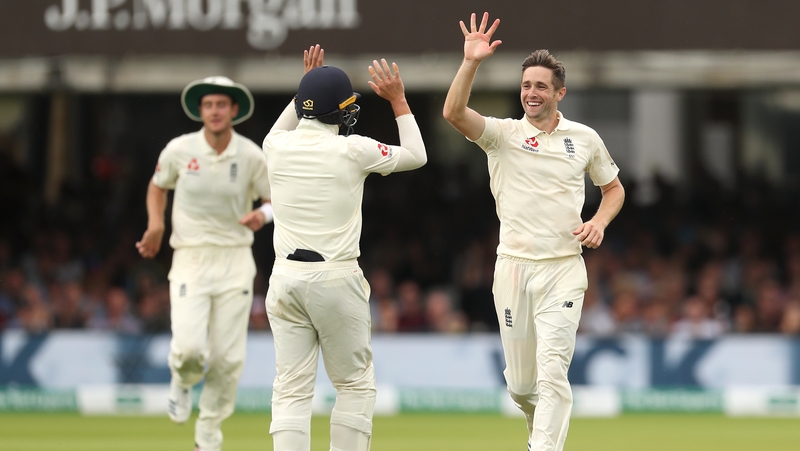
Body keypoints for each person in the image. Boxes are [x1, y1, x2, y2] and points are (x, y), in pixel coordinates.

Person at [442, 12, 625, 451]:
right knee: (523, 388)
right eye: (526, 85)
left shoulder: (583, 138)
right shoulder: (501, 135)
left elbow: (613, 189)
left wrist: (598, 222)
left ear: (559, 92)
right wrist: (471, 62)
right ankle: (537, 433)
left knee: (553, 372)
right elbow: (452, 113)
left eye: (541, 86)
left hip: (563, 269)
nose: (531, 93)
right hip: (514, 270)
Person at [262, 45, 427, 451]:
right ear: (339, 111)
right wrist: (399, 100)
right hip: (335, 277)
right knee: (353, 385)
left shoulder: (274, 145)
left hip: (284, 279)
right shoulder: (353, 149)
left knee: (290, 389)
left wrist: (307, 87)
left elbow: (293, 118)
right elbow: (418, 155)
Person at [135, 75, 272, 451]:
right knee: (190, 350)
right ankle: (181, 381)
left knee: (228, 359)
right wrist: (156, 224)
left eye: (221, 105)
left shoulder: (250, 154)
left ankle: (209, 433)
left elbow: (274, 198)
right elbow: (157, 185)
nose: (215, 111)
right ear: (201, 111)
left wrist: (264, 216)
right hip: (191, 257)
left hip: (235, 260)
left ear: (233, 111)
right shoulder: (179, 150)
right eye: (208, 105)